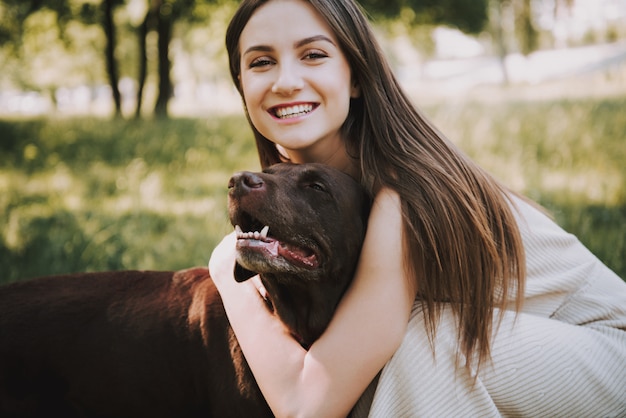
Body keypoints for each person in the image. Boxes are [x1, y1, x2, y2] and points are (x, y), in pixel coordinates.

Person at [208, 0, 626, 416]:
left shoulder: (401, 195)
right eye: (262, 62)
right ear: (241, 83)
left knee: (421, 344)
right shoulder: (315, 197)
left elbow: (308, 406)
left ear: (355, 74)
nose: (286, 80)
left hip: (606, 351)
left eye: (313, 55)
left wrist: (229, 273)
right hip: (529, 354)